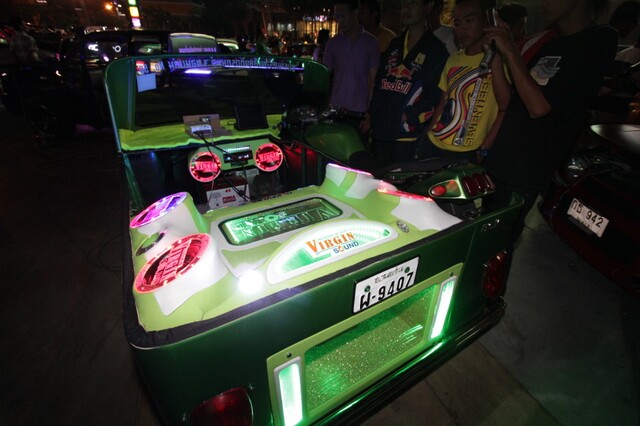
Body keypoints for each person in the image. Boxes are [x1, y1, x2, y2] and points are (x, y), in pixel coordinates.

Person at [482, 0, 618, 246]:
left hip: (524, 173)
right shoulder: (551, 43)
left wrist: (511, 50)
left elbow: (538, 107)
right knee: (481, 242)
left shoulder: (598, 40)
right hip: (500, 161)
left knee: (494, 249)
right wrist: (495, 57)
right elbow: (511, 100)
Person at [424, 0, 511, 163]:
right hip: (436, 143)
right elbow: (443, 101)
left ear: (487, 21)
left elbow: (504, 107)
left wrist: (484, 149)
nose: (461, 29)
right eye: (457, 23)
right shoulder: (453, 59)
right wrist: (428, 134)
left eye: (469, 21)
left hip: (469, 151)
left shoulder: (499, 59)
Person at [368, 0, 449, 166]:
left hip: (408, 136)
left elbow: (435, 97)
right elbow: (379, 83)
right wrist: (372, 114)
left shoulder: (436, 51)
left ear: (427, 7)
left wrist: (408, 117)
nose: (406, 8)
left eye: (413, 3)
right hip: (381, 132)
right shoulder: (394, 45)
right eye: (404, 3)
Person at [323, 0, 380, 141]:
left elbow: (373, 81)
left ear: (355, 13)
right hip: (336, 110)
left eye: (343, 16)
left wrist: (369, 113)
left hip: (359, 112)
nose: (339, 21)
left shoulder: (371, 43)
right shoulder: (333, 43)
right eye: (337, 17)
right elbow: (324, 75)